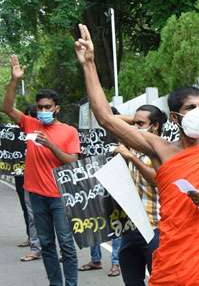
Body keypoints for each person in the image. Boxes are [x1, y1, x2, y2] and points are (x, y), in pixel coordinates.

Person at [75, 23, 199, 286]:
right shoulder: (160, 149)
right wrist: (89, 64)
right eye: (190, 107)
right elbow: (105, 117)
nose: (198, 112)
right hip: (173, 261)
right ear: (175, 117)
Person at [2, 55, 80, 286]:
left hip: (60, 197)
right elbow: (6, 107)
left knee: (66, 243)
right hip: (35, 194)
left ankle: (71, 284)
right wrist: (15, 80)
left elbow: (71, 161)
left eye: (48, 107)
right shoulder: (30, 123)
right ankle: (55, 283)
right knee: (46, 243)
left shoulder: (69, 131)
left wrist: (50, 145)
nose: (43, 110)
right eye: (40, 107)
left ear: (57, 108)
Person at [114, 104, 164, 286]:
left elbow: (158, 180)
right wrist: (136, 121)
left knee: (160, 281)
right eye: (133, 123)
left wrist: (131, 158)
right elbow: (113, 121)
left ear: (155, 125)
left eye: (140, 123)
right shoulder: (134, 147)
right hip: (131, 229)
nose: (134, 128)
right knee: (132, 281)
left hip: (156, 230)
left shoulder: (163, 150)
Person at [78, 107, 124, 277]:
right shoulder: (86, 136)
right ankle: (95, 259)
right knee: (93, 220)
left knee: (115, 223)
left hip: (115, 184)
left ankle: (116, 262)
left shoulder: (120, 136)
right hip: (92, 184)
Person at [18, 104, 42, 262]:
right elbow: (7, 108)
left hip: (51, 184)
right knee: (33, 216)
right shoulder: (25, 134)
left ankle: (61, 250)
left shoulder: (59, 131)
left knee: (57, 219)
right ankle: (35, 248)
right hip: (30, 183)